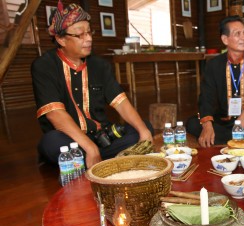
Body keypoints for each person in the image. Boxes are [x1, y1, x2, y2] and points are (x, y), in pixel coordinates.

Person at [32, 1, 153, 168]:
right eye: (80, 35)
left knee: (143, 127)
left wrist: (144, 132)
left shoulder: (99, 65)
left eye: (89, 32)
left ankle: (88, 161)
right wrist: (90, 147)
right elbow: (55, 115)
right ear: (60, 39)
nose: (88, 39)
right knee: (51, 142)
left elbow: (120, 102)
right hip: (71, 142)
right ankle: (100, 158)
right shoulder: (44, 66)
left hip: (103, 138)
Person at [186, 16, 244, 147]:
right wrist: (207, 125)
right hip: (223, 120)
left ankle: (227, 137)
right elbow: (206, 97)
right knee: (193, 123)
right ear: (225, 39)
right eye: (237, 34)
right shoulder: (213, 65)